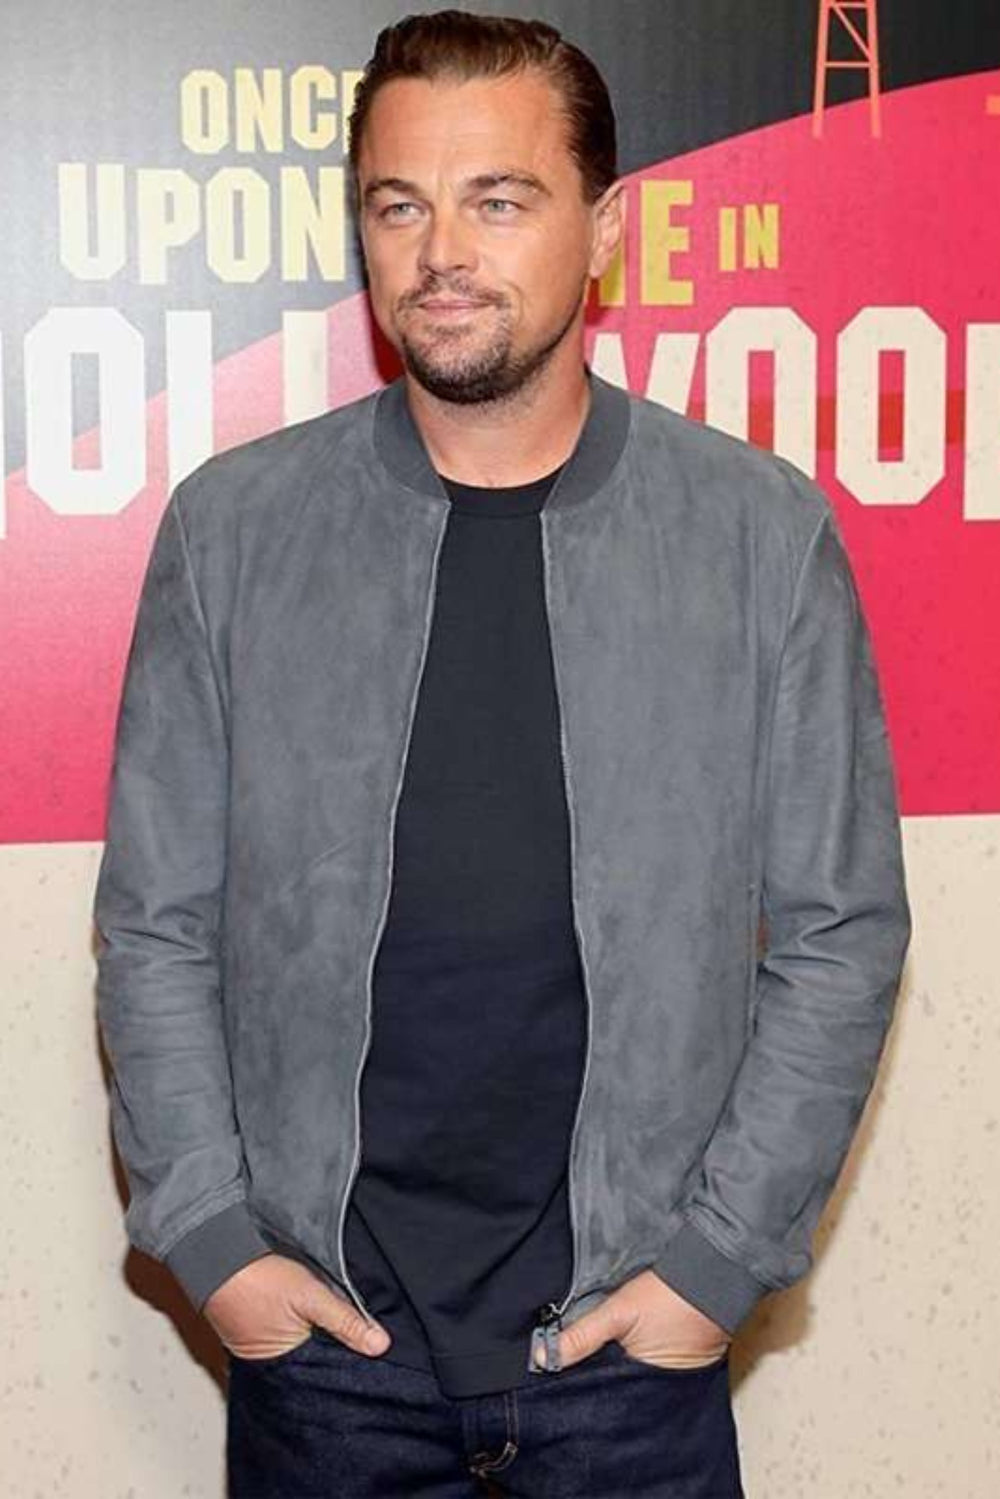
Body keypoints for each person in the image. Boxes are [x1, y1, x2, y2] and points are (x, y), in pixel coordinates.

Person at [92, 10, 911, 1496]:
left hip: (630, 1367)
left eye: (500, 199)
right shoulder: (233, 532)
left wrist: (715, 1267)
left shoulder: (756, 536)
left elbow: (841, 933)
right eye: (399, 206)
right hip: (324, 1362)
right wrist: (210, 1239)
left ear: (604, 228)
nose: (442, 254)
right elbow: (156, 923)